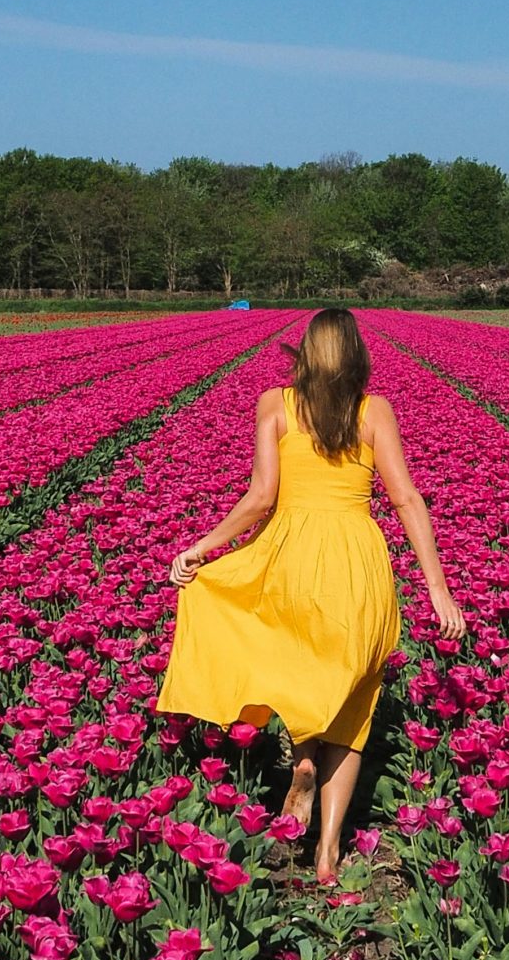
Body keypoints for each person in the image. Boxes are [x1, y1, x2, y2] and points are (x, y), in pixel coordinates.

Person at [157, 308, 465, 885]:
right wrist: (439, 591)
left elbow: (259, 498)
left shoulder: (276, 404)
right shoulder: (374, 412)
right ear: (355, 354)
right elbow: (407, 501)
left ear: (304, 351)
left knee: (299, 668)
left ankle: (301, 760)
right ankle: (327, 854)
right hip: (356, 563)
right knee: (350, 706)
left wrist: (203, 549)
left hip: (291, 555)